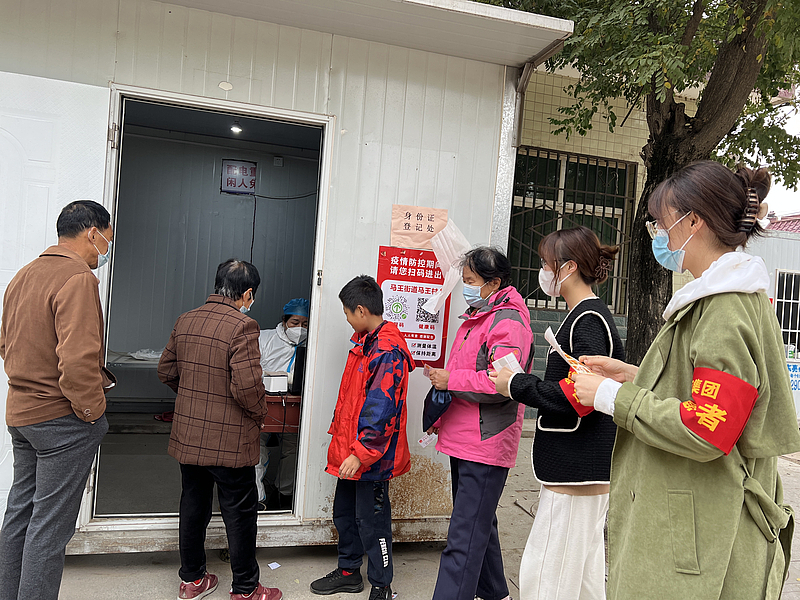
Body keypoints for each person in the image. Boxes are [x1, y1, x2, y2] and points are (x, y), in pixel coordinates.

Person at [572, 161, 800, 600]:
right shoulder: (719, 298)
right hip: (700, 517)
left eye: (661, 223)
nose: (659, 234)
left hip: (708, 534)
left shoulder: (724, 307)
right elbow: (711, 392)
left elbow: (709, 427)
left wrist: (612, 397)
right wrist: (633, 376)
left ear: (694, 222)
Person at [490, 226, 624, 600]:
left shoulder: (587, 320)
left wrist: (516, 384)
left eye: (545, 263)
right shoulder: (585, 316)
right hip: (581, 470)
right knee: (582, 578)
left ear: (568, 267)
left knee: (547, 574)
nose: (543, 271)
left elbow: (579, 396)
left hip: (575, 469)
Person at [0, 200, 115, 600]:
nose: (106, 250)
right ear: (92, 233)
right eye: (107, 240)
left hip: (21, 414)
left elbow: (5, 343)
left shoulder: (24, 274)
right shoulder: (78, 277)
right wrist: (92, 413)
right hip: (60, 420)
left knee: (21, 515)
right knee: (49, 529)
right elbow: (78, 359)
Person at [158, 259, 282, 600]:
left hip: (189, 436)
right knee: (240, 514)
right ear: (248, 293)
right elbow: (247, 387)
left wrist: (193, 396)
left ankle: (192, 580)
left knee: (193, 506)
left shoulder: (186, 319)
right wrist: (259, 413)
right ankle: (245, 589)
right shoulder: (243, 326)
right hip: (230, 441)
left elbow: (166, 371)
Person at [427, 246, 533, 600]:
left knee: (464, 537)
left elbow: (502, 383)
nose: (466, 287)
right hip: (465, 437)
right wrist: (441, 413)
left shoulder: (508, 323)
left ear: (494, 282)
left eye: (471, 280)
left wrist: (450, 380)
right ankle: (495, 593)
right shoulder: (479, 316)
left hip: (485, 441)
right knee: (477, 524)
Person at [310, 275, 413, 600]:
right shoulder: (365, 343)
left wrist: (360, 453)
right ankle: (348, 572)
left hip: (370, 458)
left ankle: (382, 586)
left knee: (373, 523)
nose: (346, 319)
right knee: (345, 514)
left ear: (361, 310)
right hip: (352, 452)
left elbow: (381, 410)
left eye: (346, 313)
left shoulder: (386, 351)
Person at [256, 298, 309, 509]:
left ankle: (284, 493)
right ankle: (257, 498)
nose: (300, 329)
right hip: (263, 402)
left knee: (293, 447)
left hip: (295, 405)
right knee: (256, 446)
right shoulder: (264, 338)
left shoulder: (312, 344)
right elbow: (250, 369)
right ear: (284, 320)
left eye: (305, 324)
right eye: (295, 323)